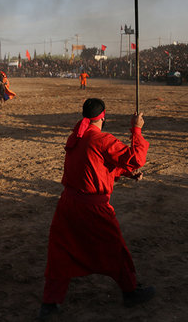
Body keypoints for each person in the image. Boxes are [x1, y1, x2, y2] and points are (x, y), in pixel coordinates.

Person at [39, 98, 153, 320]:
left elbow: (94, 167)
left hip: (67, 205)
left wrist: (126, 173)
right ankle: (130, 293)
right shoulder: (102, 139)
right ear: (103, 117)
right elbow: (136, 158)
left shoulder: (77, 137)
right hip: (93, 208)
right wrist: (136, 129)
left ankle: (49, 305)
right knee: (115, 249)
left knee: (60, 254)